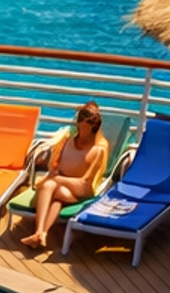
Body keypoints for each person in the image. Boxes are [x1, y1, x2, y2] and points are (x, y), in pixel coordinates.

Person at [20, 102, 110, 252]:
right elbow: (56, 164)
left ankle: (39, 233)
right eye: (80, 124)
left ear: (94, 127)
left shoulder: (99, 148)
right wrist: (54, 174)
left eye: (87, 126)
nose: (82, 129)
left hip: (81, 190)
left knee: (52, 186)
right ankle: (40, 233)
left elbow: (86, 183)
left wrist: (56, 179)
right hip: (62, 187)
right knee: (56, 194)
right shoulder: (68, 140)